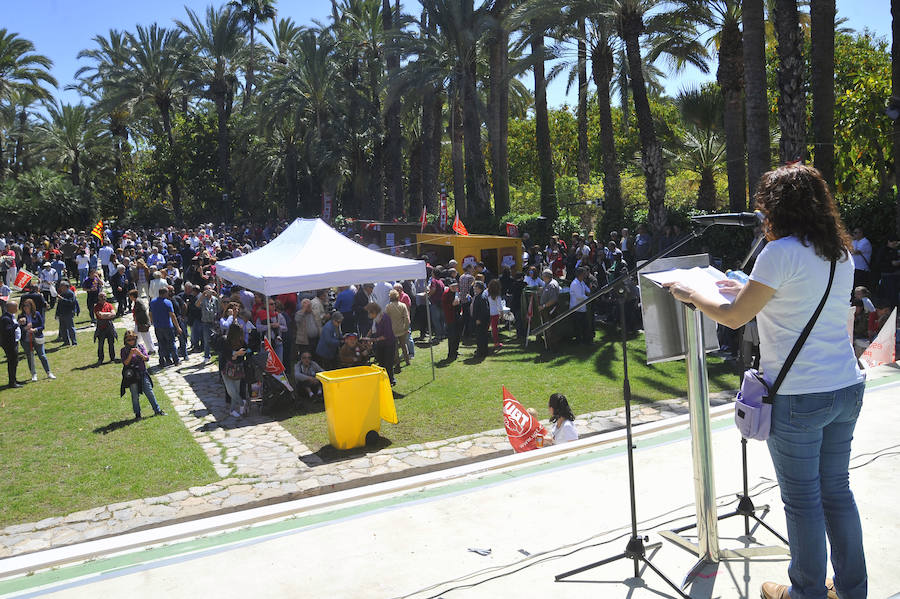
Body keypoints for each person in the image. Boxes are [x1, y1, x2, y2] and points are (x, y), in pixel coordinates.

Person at [663, 164, 866, 599]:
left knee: (804, 500)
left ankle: (806, 592)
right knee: (836, 492)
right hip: (845, 385)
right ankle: (851, 591)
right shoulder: (840, 253)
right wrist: (742, 283)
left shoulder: (779, 253)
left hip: (799, 395)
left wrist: (691, 293)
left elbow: (735, 317)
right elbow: (790, 297)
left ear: (778, 208)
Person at [120, 331, 166, 419]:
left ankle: (157, 410)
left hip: (142, 373)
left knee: (149, 392)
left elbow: (146, 358)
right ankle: (137, 414)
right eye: (129, 340)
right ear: (125, 340)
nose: (131, 341)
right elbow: (125, 363)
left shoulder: (140, 347)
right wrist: (130, 354)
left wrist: (139, 354)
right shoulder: (124, 350)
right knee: (134, 395)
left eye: (133, 339)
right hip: (132, 376)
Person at [18, 298, 55, 381]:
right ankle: (33, 374)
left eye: (27, 306)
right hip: (26, 340)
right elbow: (18, 329)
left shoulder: (37, 314)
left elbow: (42, 326)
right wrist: (23, 327)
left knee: (42, 355)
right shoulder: (21, 316)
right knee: (30, 357)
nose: (25, 307)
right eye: (24, 306)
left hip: (37, 338)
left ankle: (49, 372)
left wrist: (35, 330)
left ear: (31, 306)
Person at [220, 323, 249, 418]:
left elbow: (248, 351)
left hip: (238, 369)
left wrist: (243, 353)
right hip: (226, 370)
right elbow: (228, 356)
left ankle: (232, 410)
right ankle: (242, 403)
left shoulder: (242, 342)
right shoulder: (225, 341)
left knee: (236, 390)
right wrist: (236, 354)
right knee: (231, 391)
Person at [365, 302, 396, 385]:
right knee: (381, 362)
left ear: (374, 312)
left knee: (388, 363)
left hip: (389, 344)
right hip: (381, 344)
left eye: (369, 312)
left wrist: (373, 339)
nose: (368, 314)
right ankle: (383, 379)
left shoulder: (385, 318)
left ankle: (390, 380)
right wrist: (366, 337)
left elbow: (387, 335)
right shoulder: (376, 319)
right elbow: (372, 329)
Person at [149, 288, 180, 366]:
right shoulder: (168, 302)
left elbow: (150, 313)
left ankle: (162, 361)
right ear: (164, 293)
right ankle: (176, 360)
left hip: (157, 326)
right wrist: (178, 327)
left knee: (161, 344)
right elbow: (172, 315)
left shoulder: (152, 302)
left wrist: (152, 322)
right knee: (171, 343)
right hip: (167, 326)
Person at [384, 289, 411, 369]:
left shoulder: (388, 307)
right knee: (404, 345)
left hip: (392, 330)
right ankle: (407, 361)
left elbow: (386, 319)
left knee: (395, 348)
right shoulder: (403, 305)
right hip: (402, 329)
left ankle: (397, 363)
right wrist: (406, 328)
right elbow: (406, 318)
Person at [538, 269, 560, 350]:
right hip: (547, 309)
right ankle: (550, 345)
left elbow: (553, 299)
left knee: (550, 328)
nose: (542, 278)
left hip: (550, 309)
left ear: (546, 276)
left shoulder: (552, 285)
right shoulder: (548, 283)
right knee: (548, 328)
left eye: (543, 276)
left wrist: (543, 306)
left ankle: (553, 347)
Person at [93, 291, 117, 364]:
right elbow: (100, 315)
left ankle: (112, 358)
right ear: (98, 298)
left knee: (111, 343)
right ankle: (100, 359)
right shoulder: (96, 306)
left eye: (104, 296)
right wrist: (108, 314)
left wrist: (105, 315)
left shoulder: (109, 305)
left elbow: (114, 314)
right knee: (101, 344)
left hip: (109, 326)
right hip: (101, 327)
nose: (103, 298)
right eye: (101, 296)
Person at [2, 300, 21, 388]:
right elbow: (8, 330)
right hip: (9, 343)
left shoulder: (11, 316)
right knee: (12, 362)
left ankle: (14, 379)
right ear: (10, 308)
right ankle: (12, 382)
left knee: (15, 362)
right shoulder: (5, 318)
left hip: (14, 341)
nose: (17, 309)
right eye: (16, 307)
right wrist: (17, 324)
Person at [569, 267, 591, 344]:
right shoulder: (575, 283)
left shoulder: (581, 282)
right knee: (578, 327)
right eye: (584, 274)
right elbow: (579, 296)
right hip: (576, 308)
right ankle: (579, 341)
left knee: (585, 325)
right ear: (580, 275)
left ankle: (586, 340)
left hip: (582, 308)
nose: (585, 275)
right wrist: (589, 298)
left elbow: (587, 289)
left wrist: (589, 291)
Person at [441, 280, 462, 361]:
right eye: (453, 286)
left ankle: (455, 351)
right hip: (450, 318)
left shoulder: (456, 293)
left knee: (457, 335)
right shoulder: (446, 294)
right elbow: (445, 306)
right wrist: (452, 304)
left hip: (457, 316)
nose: (455, 287)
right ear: (450, 286)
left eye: (456, 286)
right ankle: (451, 353)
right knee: (452, 336)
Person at [130, 289, 155, 353]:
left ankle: (151, 349)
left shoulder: (138, 302)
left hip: (142, 322)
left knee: (146, 336)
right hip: (138, 322)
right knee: (136, 335)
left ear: (133, 296)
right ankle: (135, 347)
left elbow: (142, 312)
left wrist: (136, 317)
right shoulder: (137, 301)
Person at [55, 282, 79, 346]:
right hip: (62, 313)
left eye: (61, 286)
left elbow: (71, 302)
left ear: (65, 286)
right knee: (63, 329)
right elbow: (59, 305)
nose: (60, 287)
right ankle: (66, 342)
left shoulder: (70, 293)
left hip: (68, 313)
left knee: (70, 328)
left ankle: (74, 342)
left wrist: (62, 299)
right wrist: (57, 314)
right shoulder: (62, 293)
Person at [472, 280, 490, 358]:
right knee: (481, 336)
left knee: (481, 336)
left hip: (482, 321)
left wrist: (479, 319)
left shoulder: (481, 297)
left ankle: (481, 352)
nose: (473, 288)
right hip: (480, 320)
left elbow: (484, 310)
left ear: (478, 288)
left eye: (475, 286)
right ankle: (482, 351)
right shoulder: (479, 296)